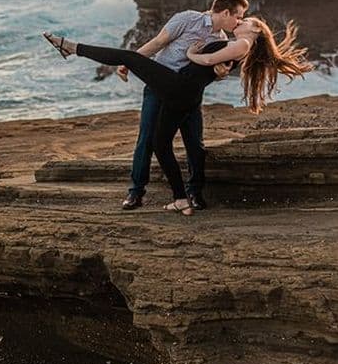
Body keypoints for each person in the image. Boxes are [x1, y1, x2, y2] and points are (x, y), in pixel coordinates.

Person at [42, 16, 312, 216]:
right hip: (182, 93)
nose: (242, 20)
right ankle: (181, 198)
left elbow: (206, 62)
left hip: (179, 88)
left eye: (247, 19)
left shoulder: (242, 43)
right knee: (160, 144)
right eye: (240, 16)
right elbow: (215, 68)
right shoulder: (233, 42)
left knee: (131, 58)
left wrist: (192, 54)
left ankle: (71, 47)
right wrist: (215, 68)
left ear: (256, 29)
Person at [115, 0, 249, 211]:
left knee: (195, 143)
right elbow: (158, 43)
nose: (240, 21)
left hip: (188, 96)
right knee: (147, 138)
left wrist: (220, 73)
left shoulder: (222, 41)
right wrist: (130, 63)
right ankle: (136, 192)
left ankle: (194, 193)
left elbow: (211, 73)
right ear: (225, 12)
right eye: (238, 16)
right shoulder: (187, 19)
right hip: (159, 88)